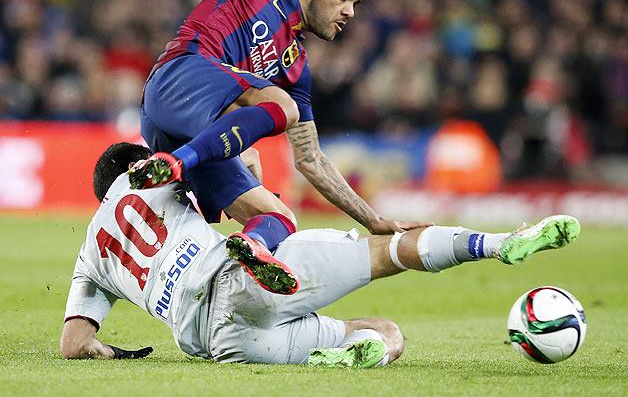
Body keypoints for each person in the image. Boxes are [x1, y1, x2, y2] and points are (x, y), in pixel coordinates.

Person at [60, 142, 580, 366]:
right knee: (388, 251)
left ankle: (337, 354)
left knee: (380, 337)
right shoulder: (152, 172)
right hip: (236, 279)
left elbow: (73, 342)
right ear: (136, 163)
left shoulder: (89, 251)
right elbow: (245, 183)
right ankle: (499, 244)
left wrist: (106, 351)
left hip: (219, 342)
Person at [86, 0, 429, 248]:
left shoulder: (296, 67)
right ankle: (177, 163)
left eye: (355, 3)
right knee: (280, 109)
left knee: (279, 218)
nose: (349, 12)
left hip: (186, 133)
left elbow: (311, 161)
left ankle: (244, 254)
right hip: (177, 77)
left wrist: (373, 220)